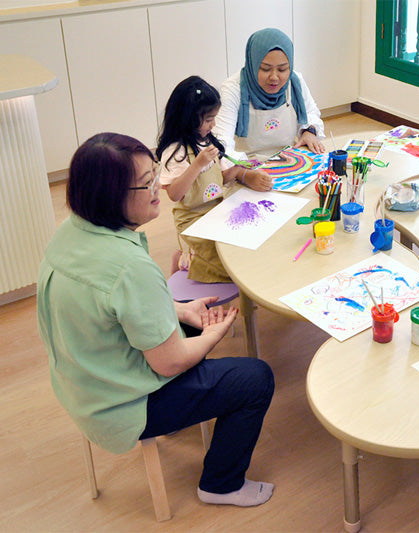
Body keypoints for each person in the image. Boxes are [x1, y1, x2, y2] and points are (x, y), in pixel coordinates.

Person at [37, 133, 276, 507]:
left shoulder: (68, 234)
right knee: (256, 378)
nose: (156, 189)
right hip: (124, 403)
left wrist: (178, 310)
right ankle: (221, 484)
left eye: (155, 175)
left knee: (186, 313)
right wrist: (213, 333)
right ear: (109, 195)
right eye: (145, 183)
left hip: (79, 380)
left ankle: (185, 414)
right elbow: (171, 361)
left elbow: (113, 309)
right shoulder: (129, 267)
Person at [156, 75, 273, 283]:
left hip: (216, 209)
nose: (214, 124)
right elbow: (174, 194)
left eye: (214, 117)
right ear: (188, 118)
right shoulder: (176, 151)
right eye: (209, 119)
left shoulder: (207, 141)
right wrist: (197, 164)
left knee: (242, 246)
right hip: (192, 219)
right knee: (225, 264)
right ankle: (186, 261)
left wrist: (237, 170)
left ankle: (191, 257)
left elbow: (220, 180)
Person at [214, 27, 325, 160]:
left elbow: (311, 112)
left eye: (282, 69)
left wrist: (309, 131)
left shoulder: (294, 82)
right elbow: (221, 143)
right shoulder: (233, 89)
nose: (274, 77)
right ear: (253, 65)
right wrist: (244, 172)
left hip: (287, 158)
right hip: (245, 164)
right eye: (265, 69)